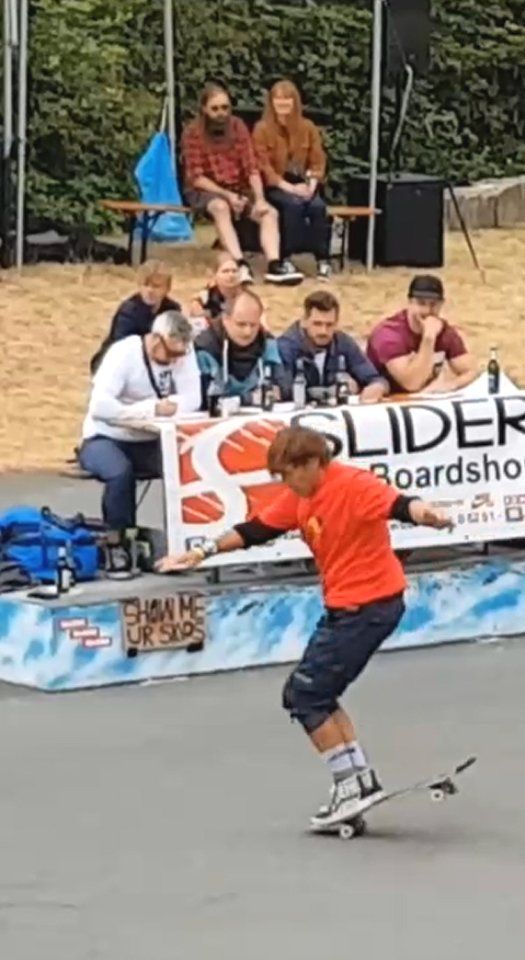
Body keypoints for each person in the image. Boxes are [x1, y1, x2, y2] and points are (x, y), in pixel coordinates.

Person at [155, 426, 455, 828]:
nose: (286, 483)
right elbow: (254, 530)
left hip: (369, 606)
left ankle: (350, 784)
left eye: (289, 473)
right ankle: (359, 779)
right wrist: (200, 552)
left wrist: (430, 515)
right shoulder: (300, 496)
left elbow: (402, 505)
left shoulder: (353, 485)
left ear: (314, 463)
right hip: (349, 607)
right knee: (322, 694)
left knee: (303, 696)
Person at [80, 311, 202, 532]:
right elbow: (100, 407)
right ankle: (119, 537)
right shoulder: (123, 353)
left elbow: (193, 398)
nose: (176, 360)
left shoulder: (184, 352)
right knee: (120, 473)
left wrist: (170, 405)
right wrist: (150, 409)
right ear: (155, 340)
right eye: (171, 353)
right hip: (106, 437)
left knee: (191, 466)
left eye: (181, 354)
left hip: (152, 439)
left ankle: (187, 534)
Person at [181, 82, 298, 285]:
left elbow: (251, 167)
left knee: (269, 213)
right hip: (206, 190)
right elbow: (196, 177)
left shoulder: (238, 127)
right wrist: (227, 195)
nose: (221, 113)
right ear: (204, 109)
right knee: (220, 207)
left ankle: (274, 265)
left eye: (225, 108)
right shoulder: (192, 133)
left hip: (239, 188)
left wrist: (260, 199)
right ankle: (239, 263)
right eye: (215, 109)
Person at [253, 79, 331, 280]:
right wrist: (289, 187)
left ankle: (323, 260)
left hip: (304, 181)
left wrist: (311, 185)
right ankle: (285, 257)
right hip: (276, 184)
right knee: (292, 206)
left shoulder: (308, 127)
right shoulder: (261, 129)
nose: (283, 103)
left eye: (287, 99)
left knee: (318, 207)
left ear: (295, 101)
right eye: (278, 99)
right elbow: (263, 167)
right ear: (271, 102)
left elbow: (318, 160)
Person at [365, 274, 483, 395]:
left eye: (433, 305)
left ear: (441, 304)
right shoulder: (388, 334)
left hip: (423, 400)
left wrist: (451, 385)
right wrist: (428, 339)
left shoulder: (444, 331)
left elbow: (472, 370)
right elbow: (411, 383)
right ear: (410, 302)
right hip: (385, 399)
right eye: (421, 303)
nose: (427, 311)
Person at [274, 291, 389, 404]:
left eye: (329, 325)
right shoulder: (286, 346)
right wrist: (334, 391)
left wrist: (378, 387)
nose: (323, 331)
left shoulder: (344, 343)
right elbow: (285, 391)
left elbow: (374, 377)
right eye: (317, 324)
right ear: (304, 321)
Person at [196, 288, 285, 408]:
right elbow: (202, 399)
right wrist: (248, 399)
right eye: (241, 324)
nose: (247, 332)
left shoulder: (268, 343)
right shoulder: (205, 348)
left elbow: (283, 387)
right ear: (225, 319)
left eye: (253, 325)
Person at [91, 266, 181, 372]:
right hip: (115, 364)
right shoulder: (128, 312)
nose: (150, 290)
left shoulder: (172, 310)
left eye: (156, 286)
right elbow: (121, 348)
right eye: (145, 285)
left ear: (167, 289)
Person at [187, 256, 247, 323]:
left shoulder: (247, 298)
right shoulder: (204, 297)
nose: (231, 275)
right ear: (215, 275)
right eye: (225, 271)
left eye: (234, 271)